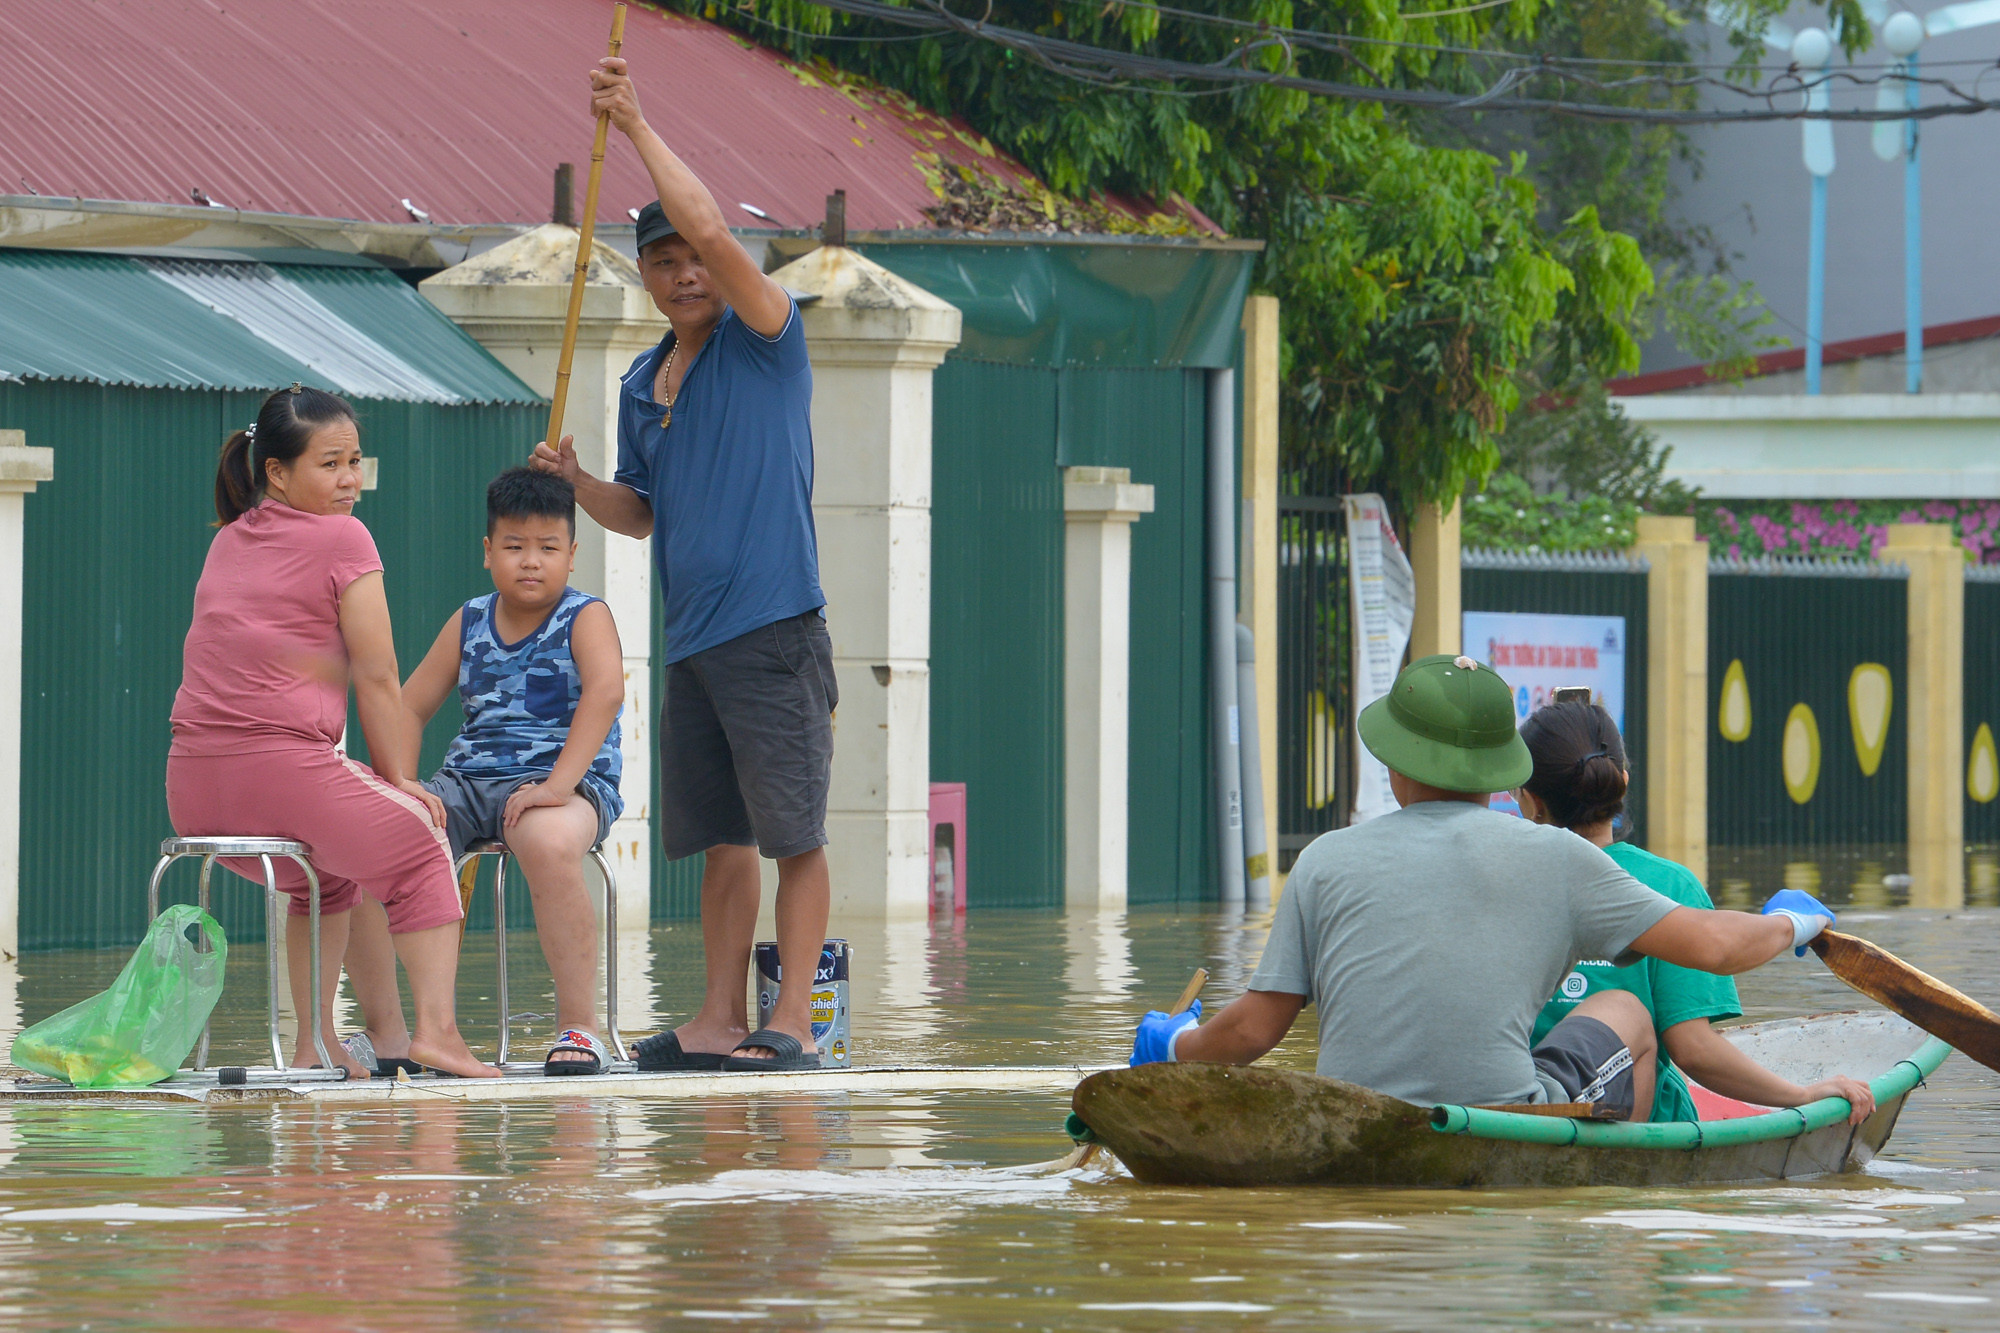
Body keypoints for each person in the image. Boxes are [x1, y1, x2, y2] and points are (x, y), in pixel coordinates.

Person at [1131, 654, 1841, 1121]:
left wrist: (1173, 1051)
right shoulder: (1562, 856)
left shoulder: (1322, 859)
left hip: (1352, 1115)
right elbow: (1716, 946)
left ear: (1395, 766)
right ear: (1505, 772)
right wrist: (1791, 924)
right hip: (1507, 1115)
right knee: (1624, 1005)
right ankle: (1613, 1181)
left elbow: (1254, 1030)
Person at [531, 54, 834, 1072]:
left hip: (774, 625)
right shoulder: (639, 380)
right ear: (646, 277)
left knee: (794, 833)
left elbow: (707, 223)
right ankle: (715, 1016)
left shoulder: (765, 335)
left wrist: (635, 116)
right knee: (721, 839)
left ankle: (786, 1019)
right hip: (693, 638)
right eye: (662, 262)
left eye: (694, 255)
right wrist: (575, 483)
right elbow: (645, 515)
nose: (686, 270)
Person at [165, 385, 499, 1080]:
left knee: (327, 878)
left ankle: (322, 1041)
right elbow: (377, 673)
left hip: (192, 785)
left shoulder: (228, 538)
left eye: (356, 460)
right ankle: (437, 1033)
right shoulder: (345, 537)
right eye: (330, 463)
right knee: (422, 839)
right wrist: (400, 778)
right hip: (277, 774)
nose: (350, 479)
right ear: (278, 473)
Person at [341, 468, 626, 1076]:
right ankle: (390, 1033)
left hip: (567, 782)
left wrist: (555, 787)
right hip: (468, 783)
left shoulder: (586, 617)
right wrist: (401, 783)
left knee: (547, 842)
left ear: (572, 556)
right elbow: (409, 706)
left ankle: (579, 1027)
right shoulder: (469, 620)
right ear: (488, 551)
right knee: (367, 843)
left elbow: (605, 694)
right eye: (515, 547)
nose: (531, 562)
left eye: (548, 548)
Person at [1515, 696, 1875, 1124]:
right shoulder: (1669, 885)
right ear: (1622, 784)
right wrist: (1801, 1094)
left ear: (1531, 800)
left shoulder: (1504, 878)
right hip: (1643, 1117)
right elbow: (1693, 1049)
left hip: (1518, 1099)